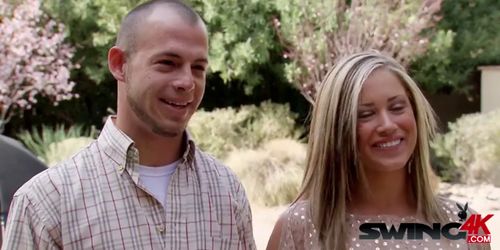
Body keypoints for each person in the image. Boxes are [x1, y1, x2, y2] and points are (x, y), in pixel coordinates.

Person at [2, 0, 255, 249]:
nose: (187, 82)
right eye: (168, 63)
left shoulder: (226, 191)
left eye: (198, 68)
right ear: (119, 64)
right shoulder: (46, 203)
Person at [266, 51, 490, 250]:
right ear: (336, 130)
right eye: (365, 114)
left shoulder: (467, 226)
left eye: (397, 107)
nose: (387, 125)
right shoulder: (299, 229)